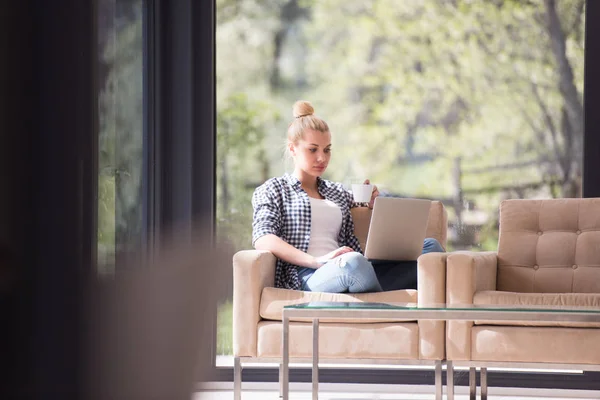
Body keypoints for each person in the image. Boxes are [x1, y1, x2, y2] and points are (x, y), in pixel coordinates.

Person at [251, 100, 444, 293]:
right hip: (309, 274)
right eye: (313, 149)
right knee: (354, 264)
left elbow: (366, 199)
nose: (322, 158)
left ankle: (371, 293)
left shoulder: (335, 191)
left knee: (431, 248)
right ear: (293, 149)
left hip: (356, 265)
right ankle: (379, 301)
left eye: (327, 150)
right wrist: (316, 261)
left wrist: (374, 198)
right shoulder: (274, 189)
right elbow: (263, 238)